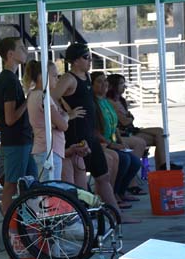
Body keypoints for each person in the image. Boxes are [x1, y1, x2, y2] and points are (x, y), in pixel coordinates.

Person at [52, 43, 136, 223]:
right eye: (86, 57)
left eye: (90, 57)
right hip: (77, 136)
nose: (90, 60)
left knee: (102, 175)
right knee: (80, 181)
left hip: (89, 133)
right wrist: (67, 113)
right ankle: (86, 219)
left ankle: (114, 215)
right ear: (75, 60)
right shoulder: (69, 78)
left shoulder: (87, 77)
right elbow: (50, 97)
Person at [0, 38, 37, 214]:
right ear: (10, 54)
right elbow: (10, 118)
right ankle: (10, 227)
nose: (25, 50)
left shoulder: (10, 79)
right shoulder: (9, 81)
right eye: (21, 48)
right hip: (16, 141)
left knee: (31, 183)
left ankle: (26, 221)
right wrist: (28, 100)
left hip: (21, 140)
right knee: (12, 184)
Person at [23, 60, 84, 180]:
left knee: (49, 188)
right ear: (42, 76)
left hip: (44, 147)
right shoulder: (44, 97)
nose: (57, 79)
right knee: (51, 189)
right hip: (49, 149)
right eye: (55, 76)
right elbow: (63, 125)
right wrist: (67, 116)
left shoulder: (33, 95)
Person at [106, 73, 179, 172]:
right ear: (114, 86)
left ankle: (163, 165)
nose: (124, 86)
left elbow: (127, 118)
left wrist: (129, 117)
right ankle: (162, 166)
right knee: (158, 134)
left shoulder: (121, 100)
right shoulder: (111, 102)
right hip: (125, 132)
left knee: (161, 133)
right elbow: (125, 122)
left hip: (131, 129)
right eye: (121, 84)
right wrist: (130, 117)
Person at [92, 72, 142, 208]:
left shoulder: (106, 102)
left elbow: (115, 126)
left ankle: (120, 192)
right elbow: (94, 131)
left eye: (105, 81)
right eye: (99, 82)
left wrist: (120, 142)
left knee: (135, 161)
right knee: (124, 160)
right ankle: (112, 195)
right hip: (102, 144)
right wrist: (111, 144)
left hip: (112, 141)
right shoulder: (93, 103)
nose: (104, 84)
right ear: (91, 85)